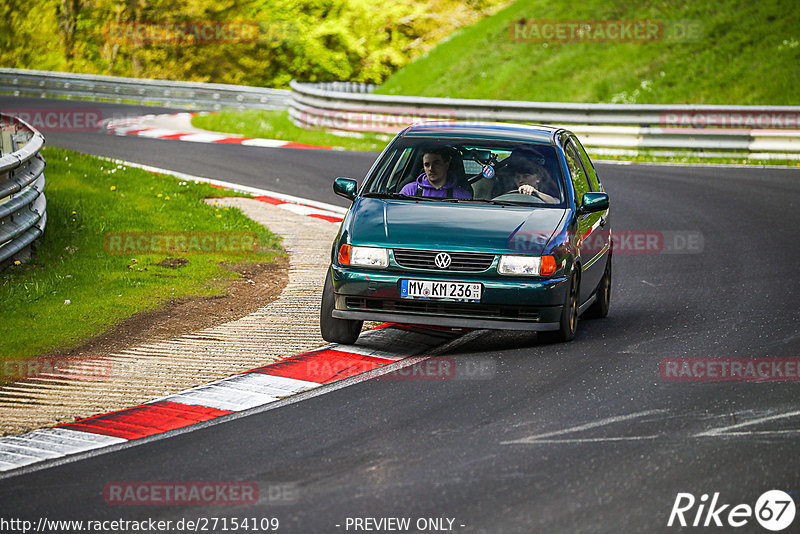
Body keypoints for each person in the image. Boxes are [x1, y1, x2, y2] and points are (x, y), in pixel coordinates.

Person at [399, 147, 472, 199]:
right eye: (427, 165)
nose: (431, 168)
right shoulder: (409, 191)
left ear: (447, 165)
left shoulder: (461, 195)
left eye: (436, 163)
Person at [492, 155, 559, 204]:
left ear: (538, 178)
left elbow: (555, 202)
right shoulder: (504, 191)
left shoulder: (547, 194)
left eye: (526, 176)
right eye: (518, 177)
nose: (521, 180)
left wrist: (536, 192)